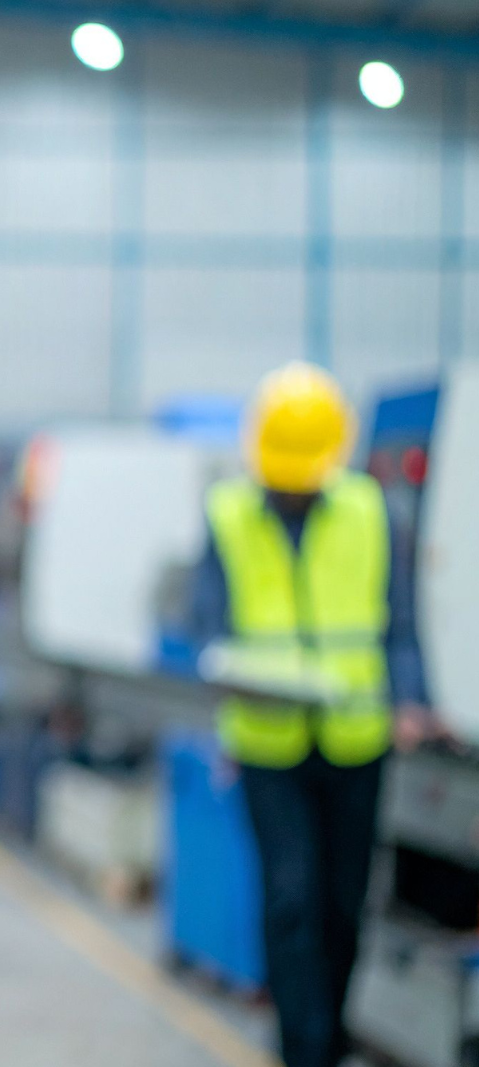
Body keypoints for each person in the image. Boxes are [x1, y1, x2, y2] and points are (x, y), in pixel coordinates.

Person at [190, 361, 441, 1067]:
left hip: (356, 738)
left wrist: (409, 700)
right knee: (290, 898)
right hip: (267, 743)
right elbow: (205, 621)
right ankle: (300, 1050)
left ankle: (325, 1042)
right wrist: (225, 674)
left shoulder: (368, 511)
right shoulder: (227, 514)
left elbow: (399, 622)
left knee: (341, 904)